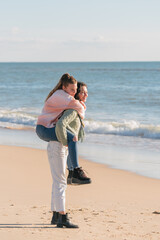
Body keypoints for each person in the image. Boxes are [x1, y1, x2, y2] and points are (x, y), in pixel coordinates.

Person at [36, 73, 91, 184]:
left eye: (75, 90)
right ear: (64, 87)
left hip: (45, 127)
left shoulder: (62, 96)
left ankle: (72, 173)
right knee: (72, 139)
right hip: (44, 128)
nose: (74, 92)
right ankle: (75, 170)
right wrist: (65, 141)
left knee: (71, 140)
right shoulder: (62, 96)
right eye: (72, 90)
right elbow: (78, 107)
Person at [48, 81, 89, 228]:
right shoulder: (72, 110)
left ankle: (55, 215)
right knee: (60, 182)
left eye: (87, 92)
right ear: (76, 93)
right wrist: (66, 140)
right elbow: (60, 125)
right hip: (58, 146)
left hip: (57, 146)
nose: (86, 95)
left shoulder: (73, 107)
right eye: (83, 92)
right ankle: (63, 218)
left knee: (57, 181)